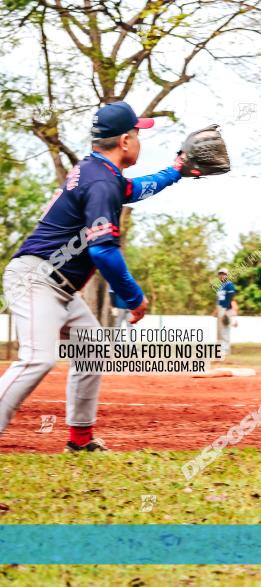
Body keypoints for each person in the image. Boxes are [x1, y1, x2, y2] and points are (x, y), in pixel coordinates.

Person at [0, 101, 187, 451]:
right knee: (38, 357)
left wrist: (176, 170)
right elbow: (103, 251)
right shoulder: (102, 182)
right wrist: (134, 297)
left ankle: (80, 440)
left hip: (55, 285)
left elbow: (139, 187)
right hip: (36, 279)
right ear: (125, 142)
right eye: (137, 133)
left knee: (92, 347)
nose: (139, 139)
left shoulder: (99, 173)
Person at [215, 268, 238, 357]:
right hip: (220, 309)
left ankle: (225, 350)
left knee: (225, 330)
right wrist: (216, 310)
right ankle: (221, 349)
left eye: (224, 274)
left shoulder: (229, 285)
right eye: (220, 274)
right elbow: (219, 299)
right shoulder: (220, 287)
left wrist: (226, 310)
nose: (222, 275)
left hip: (226, 309)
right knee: (220, 332)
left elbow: (231, 297)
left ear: (227, 275)